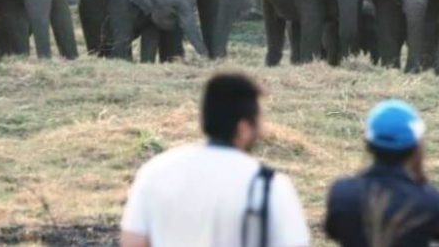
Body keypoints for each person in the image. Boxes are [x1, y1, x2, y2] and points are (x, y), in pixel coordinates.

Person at [120, 72, 310, 247]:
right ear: (243, 128)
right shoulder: (269, 185)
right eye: (259, 122)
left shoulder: (155, 171)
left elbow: (132, 242)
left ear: (202, 120)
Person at [324, 100, 439, 247]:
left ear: (368, 143)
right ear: (416, 147)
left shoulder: (342, 192)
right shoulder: (430, 200)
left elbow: (332, 231)